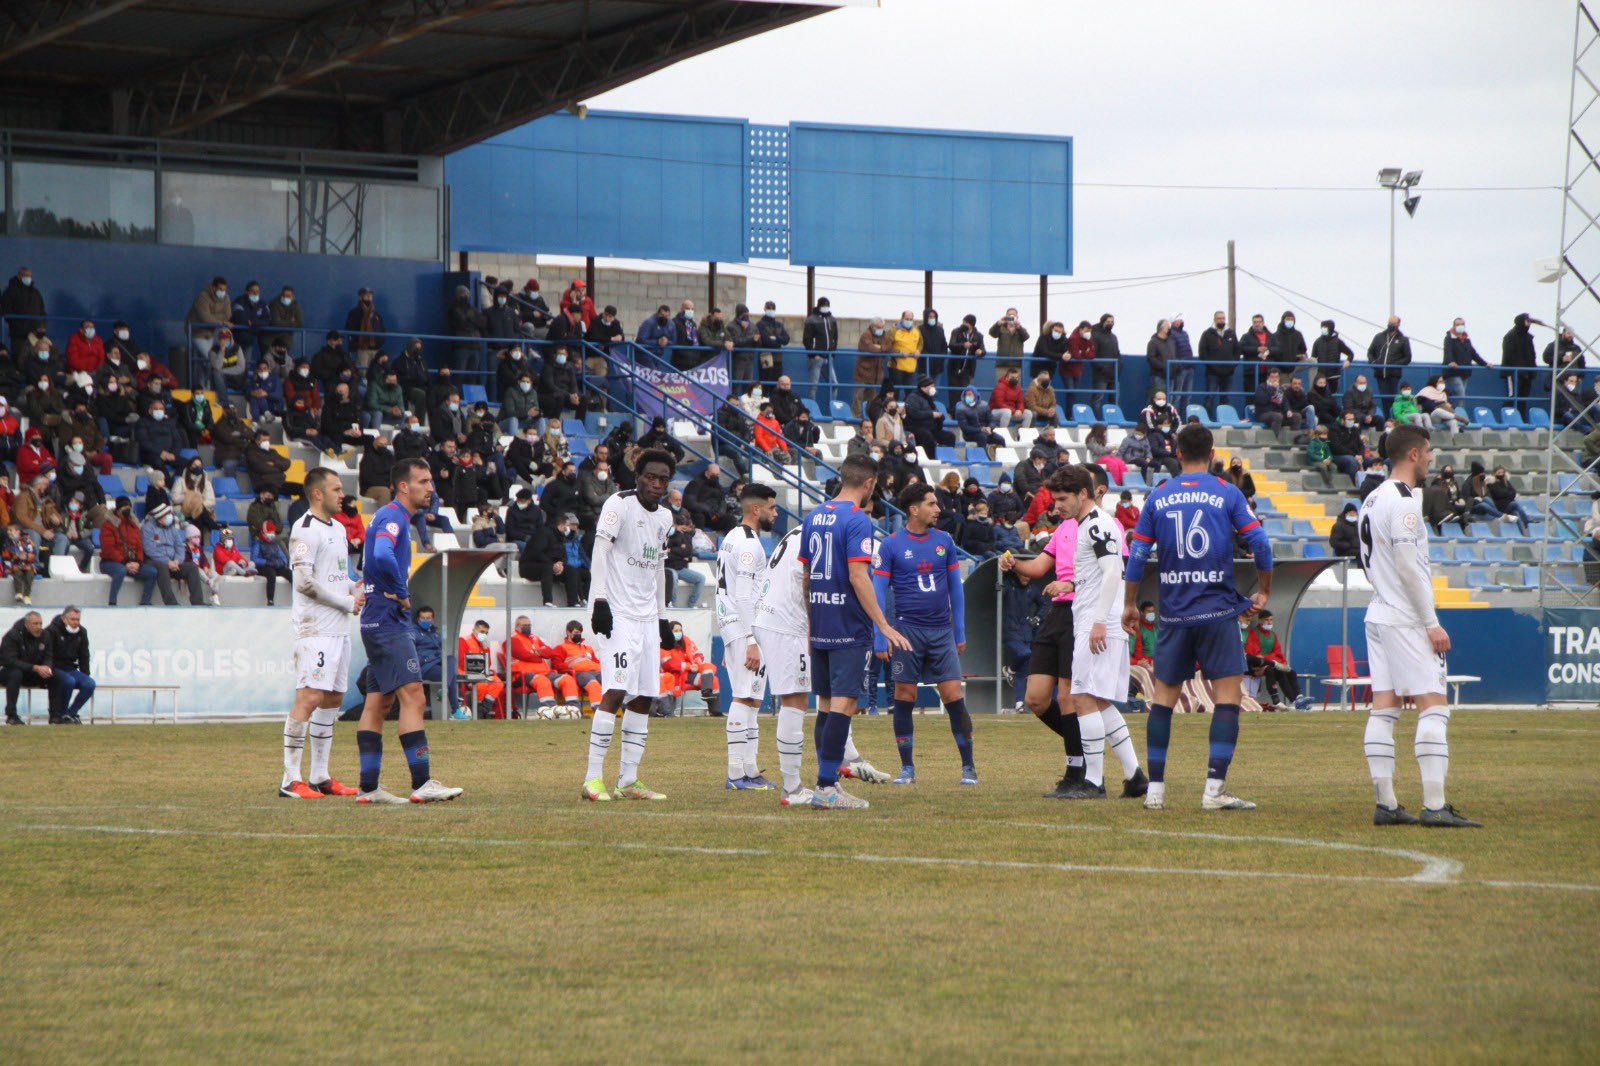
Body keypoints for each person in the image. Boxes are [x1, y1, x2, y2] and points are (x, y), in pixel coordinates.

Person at [1121, 422, 1274, 812]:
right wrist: (1263, 591)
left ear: (1177, 453)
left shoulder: (1158, 495)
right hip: (1218, 611)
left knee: (1163, 700)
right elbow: (1260, 543)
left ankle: (1155, 792)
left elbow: (1137, 556)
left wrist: (1130, 603)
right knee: (1228, 697)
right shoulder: (1227, 492)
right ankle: (1213, 791)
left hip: (1174, 615)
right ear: (1212, 454)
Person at [1356, 423, 1480, 827]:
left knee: (1384, 707)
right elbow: (1409, 567)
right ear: (1413, 454)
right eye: (1427, 452)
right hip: (1406, 616)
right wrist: (1431, 622)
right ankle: (1435, 805)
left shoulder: (1371, 498)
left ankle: (1387, 804)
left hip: (1378, 611)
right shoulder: (1405, 501)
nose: (1430, 459)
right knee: (1434, 706)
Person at [797, 454, 910, 810]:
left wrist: (812, 621)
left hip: (821, 620)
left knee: (826, 705)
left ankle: (826, 782)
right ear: (869, 483)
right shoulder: (858, 519)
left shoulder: (814, 516)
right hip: (847, 622)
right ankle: (826, 787)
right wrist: (883, 624)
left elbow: (805, 577)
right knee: (844, 704)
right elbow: (859, 576)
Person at [356, 458, 463, 803]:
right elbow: (382, 553)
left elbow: (371, 559)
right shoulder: (394, 516)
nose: (431, 488)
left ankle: (368, 788)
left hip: (375, 620)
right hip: (389, 622)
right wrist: (402, 592)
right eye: (424, 481)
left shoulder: (388, 516)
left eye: (430, 481)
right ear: (404, 486)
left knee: (378, 702)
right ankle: (422, 782)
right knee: (414, 697)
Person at [579, 449, 679, 802]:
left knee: (646, 695)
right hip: (616, 612)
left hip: (647, 617)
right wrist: (599, 601)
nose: (656, 484)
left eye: (663, 479)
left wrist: (662, 617)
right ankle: (592, 779)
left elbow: (659, 568)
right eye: (650, 477)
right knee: (616, 690)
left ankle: (628, 780)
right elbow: (600, 551)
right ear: (637, 477)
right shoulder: (618, 505)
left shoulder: (665, 517)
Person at [873, 483, 977, 786]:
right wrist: (880, 635)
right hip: (906, 632)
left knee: (953, 695)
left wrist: (959, 630)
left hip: (941, 631)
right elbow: (878, 591)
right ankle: (907, 767)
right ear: (913, 509)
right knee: (905, 695)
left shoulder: (944, 540)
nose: (938, 509)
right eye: (931, 504)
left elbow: (956, 588)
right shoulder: (890, 545)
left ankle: (969, 767)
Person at [274, 469, 364, 799]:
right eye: (336, 489)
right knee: (309, 697)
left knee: (333, 699)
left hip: (338, 628)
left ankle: (320, 776)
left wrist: (353, 587)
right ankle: (290, 780)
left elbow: (334, 575)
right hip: (315, 628)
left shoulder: (338, 528)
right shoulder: (304, 530)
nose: (343, 495)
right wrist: (345, 602)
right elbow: (304, 583)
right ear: (317, 494)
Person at [997, 481, 1089, 795]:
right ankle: (1086, 748)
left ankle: (1077, 770)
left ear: (1085, 494)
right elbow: (1039, 566)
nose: (1057, 506)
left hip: (1082, 611)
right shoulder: (1063, 529)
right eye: (1055, 499)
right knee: (1036, 698)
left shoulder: (1102, 526)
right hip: (1057, 614)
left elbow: (1113, 572)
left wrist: (1072, 585)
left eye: (1062, 499)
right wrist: (1015, 564)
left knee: (1067, 697)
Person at [715, 483, 779, 790]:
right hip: (745, 628)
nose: (775, 513)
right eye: (772, 507)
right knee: (744, 697)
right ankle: (736, 773)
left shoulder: (732, 537)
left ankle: (749, 770)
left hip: (735, 626)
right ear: (757, 509)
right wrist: (750, 639)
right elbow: (742, 595)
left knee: (752, 699)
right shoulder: (750, 545)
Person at [141, 503, 206, 606]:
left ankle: (198, 602)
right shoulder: (148, 528)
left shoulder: (171, 528)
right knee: (162, 567)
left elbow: (179, 547)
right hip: (154, 561)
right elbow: (150, 550)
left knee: (192, 568)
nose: (170, 517)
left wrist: (177, 561)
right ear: (159, 518)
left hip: (173, 561)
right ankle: (171, 602)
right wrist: (167, 562)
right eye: (167, 515)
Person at [1243, 610, 1309, 710]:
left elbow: (1278, 651)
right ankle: (1276, 701)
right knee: (1272, 670)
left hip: (1272, 663)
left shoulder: (1273, 635)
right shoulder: (1254, 633)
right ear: (1260, 620)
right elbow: (1256, 655)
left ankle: (1298, 698)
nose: (1269, 622)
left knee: (1291, 672)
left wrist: (1283, 663)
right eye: (1266, 620)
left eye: (1271, 620)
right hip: (1256, 665)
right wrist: (1272, 659)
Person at [100, 496, 155, 606]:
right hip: (110, 562)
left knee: (152, 572)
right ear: (118, 509)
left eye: (129, 507)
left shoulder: (134, 525)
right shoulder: (108, 525)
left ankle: (145, 602)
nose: (127, 510)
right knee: (121, 570)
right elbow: (108, 549)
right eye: (124, 507)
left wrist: (138, 563)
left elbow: (139, 547)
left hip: (131, 562)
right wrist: (125, 563)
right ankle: (112, 602)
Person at [1, 611, 53, 726]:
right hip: (8, 672)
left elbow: (49, 656)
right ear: (26, 624)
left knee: (57, 676)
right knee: (15, 674)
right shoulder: (12, 635)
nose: (39, 627)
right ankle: (11, 715)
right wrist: (34, 667)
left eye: (40, 623)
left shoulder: (45, 635)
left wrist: (47, 667)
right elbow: (10, 661)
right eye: (35, 624)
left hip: (32, 672)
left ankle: (56, 716)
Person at [1367, 316, 1412, 404]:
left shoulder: (1403, 339)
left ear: (1398, 324)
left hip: (1394, 374)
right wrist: (1373, 362)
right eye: (1389, 323)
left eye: (1393, 324)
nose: (1391, 325)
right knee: (1384, 398)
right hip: (1380, 373)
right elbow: (1370, 352)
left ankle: (1393, 412)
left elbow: (1407, 358)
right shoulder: (1379, 337)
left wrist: (1395, 365)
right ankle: (1387, 413)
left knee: (1393, 397)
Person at [250, 520, 293, 606]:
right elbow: (254, 558)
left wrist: (280, 562)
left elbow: (283, 557)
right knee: (271, 574)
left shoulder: (275, 544)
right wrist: (267, 562)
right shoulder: (258, 544)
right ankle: (270, 600)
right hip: (263, 567)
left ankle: (296, 598)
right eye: (270, 532)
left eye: (273, 532)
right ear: (264, 532)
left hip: (275, 565)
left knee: (290, 574)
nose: (272, 534)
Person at [2, 524, 38, 604]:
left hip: (28, 565)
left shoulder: (27, 541)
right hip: (15, 566)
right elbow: (6, 557)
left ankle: (27, 596)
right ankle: (19, 594)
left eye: (11, 530)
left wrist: (27, 557)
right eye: (8, 530)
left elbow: (33, 553)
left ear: (18, 532)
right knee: (18, 574)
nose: (8, 532)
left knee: (29, 575)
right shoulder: (7, 543)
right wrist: (7, 571)